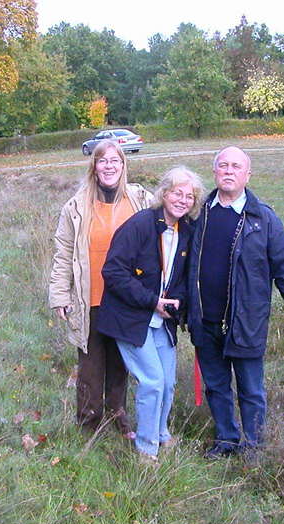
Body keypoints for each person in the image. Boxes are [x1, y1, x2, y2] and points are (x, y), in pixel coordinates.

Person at [187, 146, 284, 459]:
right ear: (214, 171)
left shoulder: (264, 219)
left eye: (236, 167)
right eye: (223, 165)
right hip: (205, 321)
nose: (229, 171)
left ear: (247, 175)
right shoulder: (198, 214)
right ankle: (227, 440)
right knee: (216, 386)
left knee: (251, 390)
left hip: (246, 322)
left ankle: (254, 445)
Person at [48, 140, 153, 437]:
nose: (109, 166)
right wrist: (59, 293)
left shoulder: (140, 200)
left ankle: (117, 416)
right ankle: (89, 422)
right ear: (93, 166)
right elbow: (63, 252)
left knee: (121, 363)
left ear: (123, 165)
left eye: (115, 161)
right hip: (89, 298)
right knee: (91, 367)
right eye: (102, 160)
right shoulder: (76, 206)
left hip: (126, 299)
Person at [97, 167, 202, 463]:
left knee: (168, 382)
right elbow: (113, 272)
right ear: (164, 193)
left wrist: (177, 302)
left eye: (189, 196)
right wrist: (152, 301)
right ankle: (145, 449)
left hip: (162, 321)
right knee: (153, 381)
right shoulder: (140, 225)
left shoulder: (186, 231)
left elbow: (182, 277)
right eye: (177, 193)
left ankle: (160, 434)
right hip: (130, 318)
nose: (182, 200)